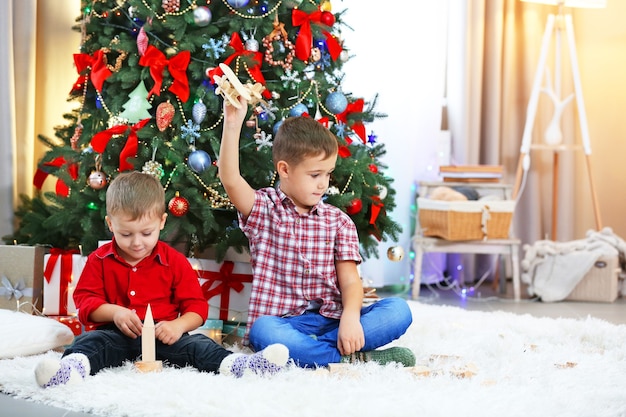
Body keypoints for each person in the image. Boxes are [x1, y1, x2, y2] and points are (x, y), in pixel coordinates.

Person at [35, 171, 288, 388]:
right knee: (89, 342)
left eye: (147, 233)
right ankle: (69, 371)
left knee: (199, 345)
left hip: (163, 337)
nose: (136, 242)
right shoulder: (98, 260)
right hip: (114, 336)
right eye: (126, 233)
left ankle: (239, 366)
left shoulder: (174, 261)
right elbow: (85, 304)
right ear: (110, 224)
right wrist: (115, 313)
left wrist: (177, 327)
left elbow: (196, 308)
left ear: (162, 222)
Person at [219, 96, 415, 368]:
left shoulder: (339, 221)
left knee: (399, 311)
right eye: (315, 175)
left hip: (334, 320)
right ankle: (357, 359)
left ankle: (316, 355)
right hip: (284, 325)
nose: (323, 184)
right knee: (264, 331)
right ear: (284, 169)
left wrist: (350, 318)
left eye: (328, 174)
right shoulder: (264, 209)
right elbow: (230, 179)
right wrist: (232, 122)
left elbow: (349, 282)